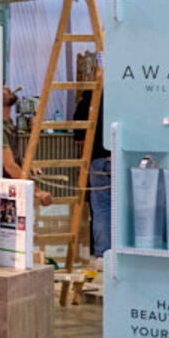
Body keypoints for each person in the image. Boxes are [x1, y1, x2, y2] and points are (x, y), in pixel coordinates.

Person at [73, 53, 112, 256]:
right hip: (122, 157)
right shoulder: (128, 89)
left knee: (101, 209)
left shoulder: (92, 92)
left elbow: (78, 129)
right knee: (125, 207)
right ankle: (123, 252)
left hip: (97, 158)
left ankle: (103, 254)